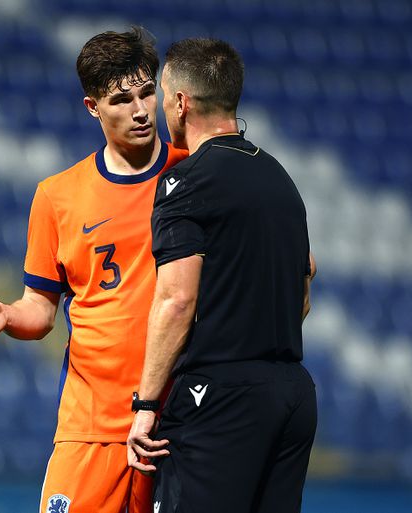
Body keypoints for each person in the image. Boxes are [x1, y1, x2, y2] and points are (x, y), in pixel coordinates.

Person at [0, 27, 187, 513]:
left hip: (177, 424)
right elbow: (41, 311)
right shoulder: (58, 196)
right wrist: (7, 314)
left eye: (146, 92)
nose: (139, 110)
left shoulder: (195, 172)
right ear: (92, 107)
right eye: (120, 99)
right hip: (92, 428)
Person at [127, 38, 317, 513]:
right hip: (291, 394)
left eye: (162, 95)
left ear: (181, 102)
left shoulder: (187, 181)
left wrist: (147, 405)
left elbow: (176, 300)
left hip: (219, 400)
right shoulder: (279, 177)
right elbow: (304, 283)